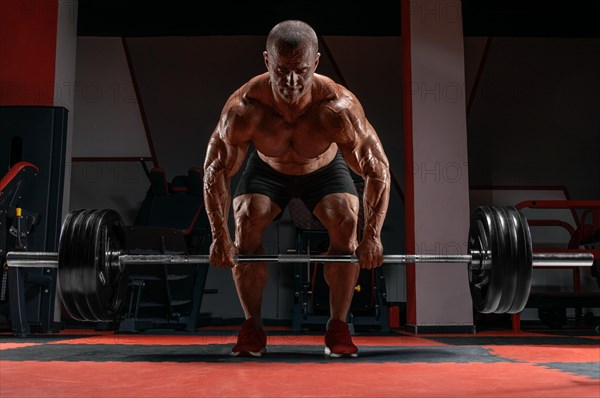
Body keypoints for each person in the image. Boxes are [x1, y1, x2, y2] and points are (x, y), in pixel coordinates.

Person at [203, 20, 390, 358]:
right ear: (266, 61)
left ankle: (337, 327)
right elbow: (215, 169)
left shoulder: (338, 108)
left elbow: (378, 169)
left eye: (301, 71)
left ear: (316, 62)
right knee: (246, 222)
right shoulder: (244, 108)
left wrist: (372, 234)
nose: (291, 81)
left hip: (323, 168)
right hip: (267, 168)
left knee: (346, 221)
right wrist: (219, 234)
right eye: (281, 70)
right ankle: (252, 327)